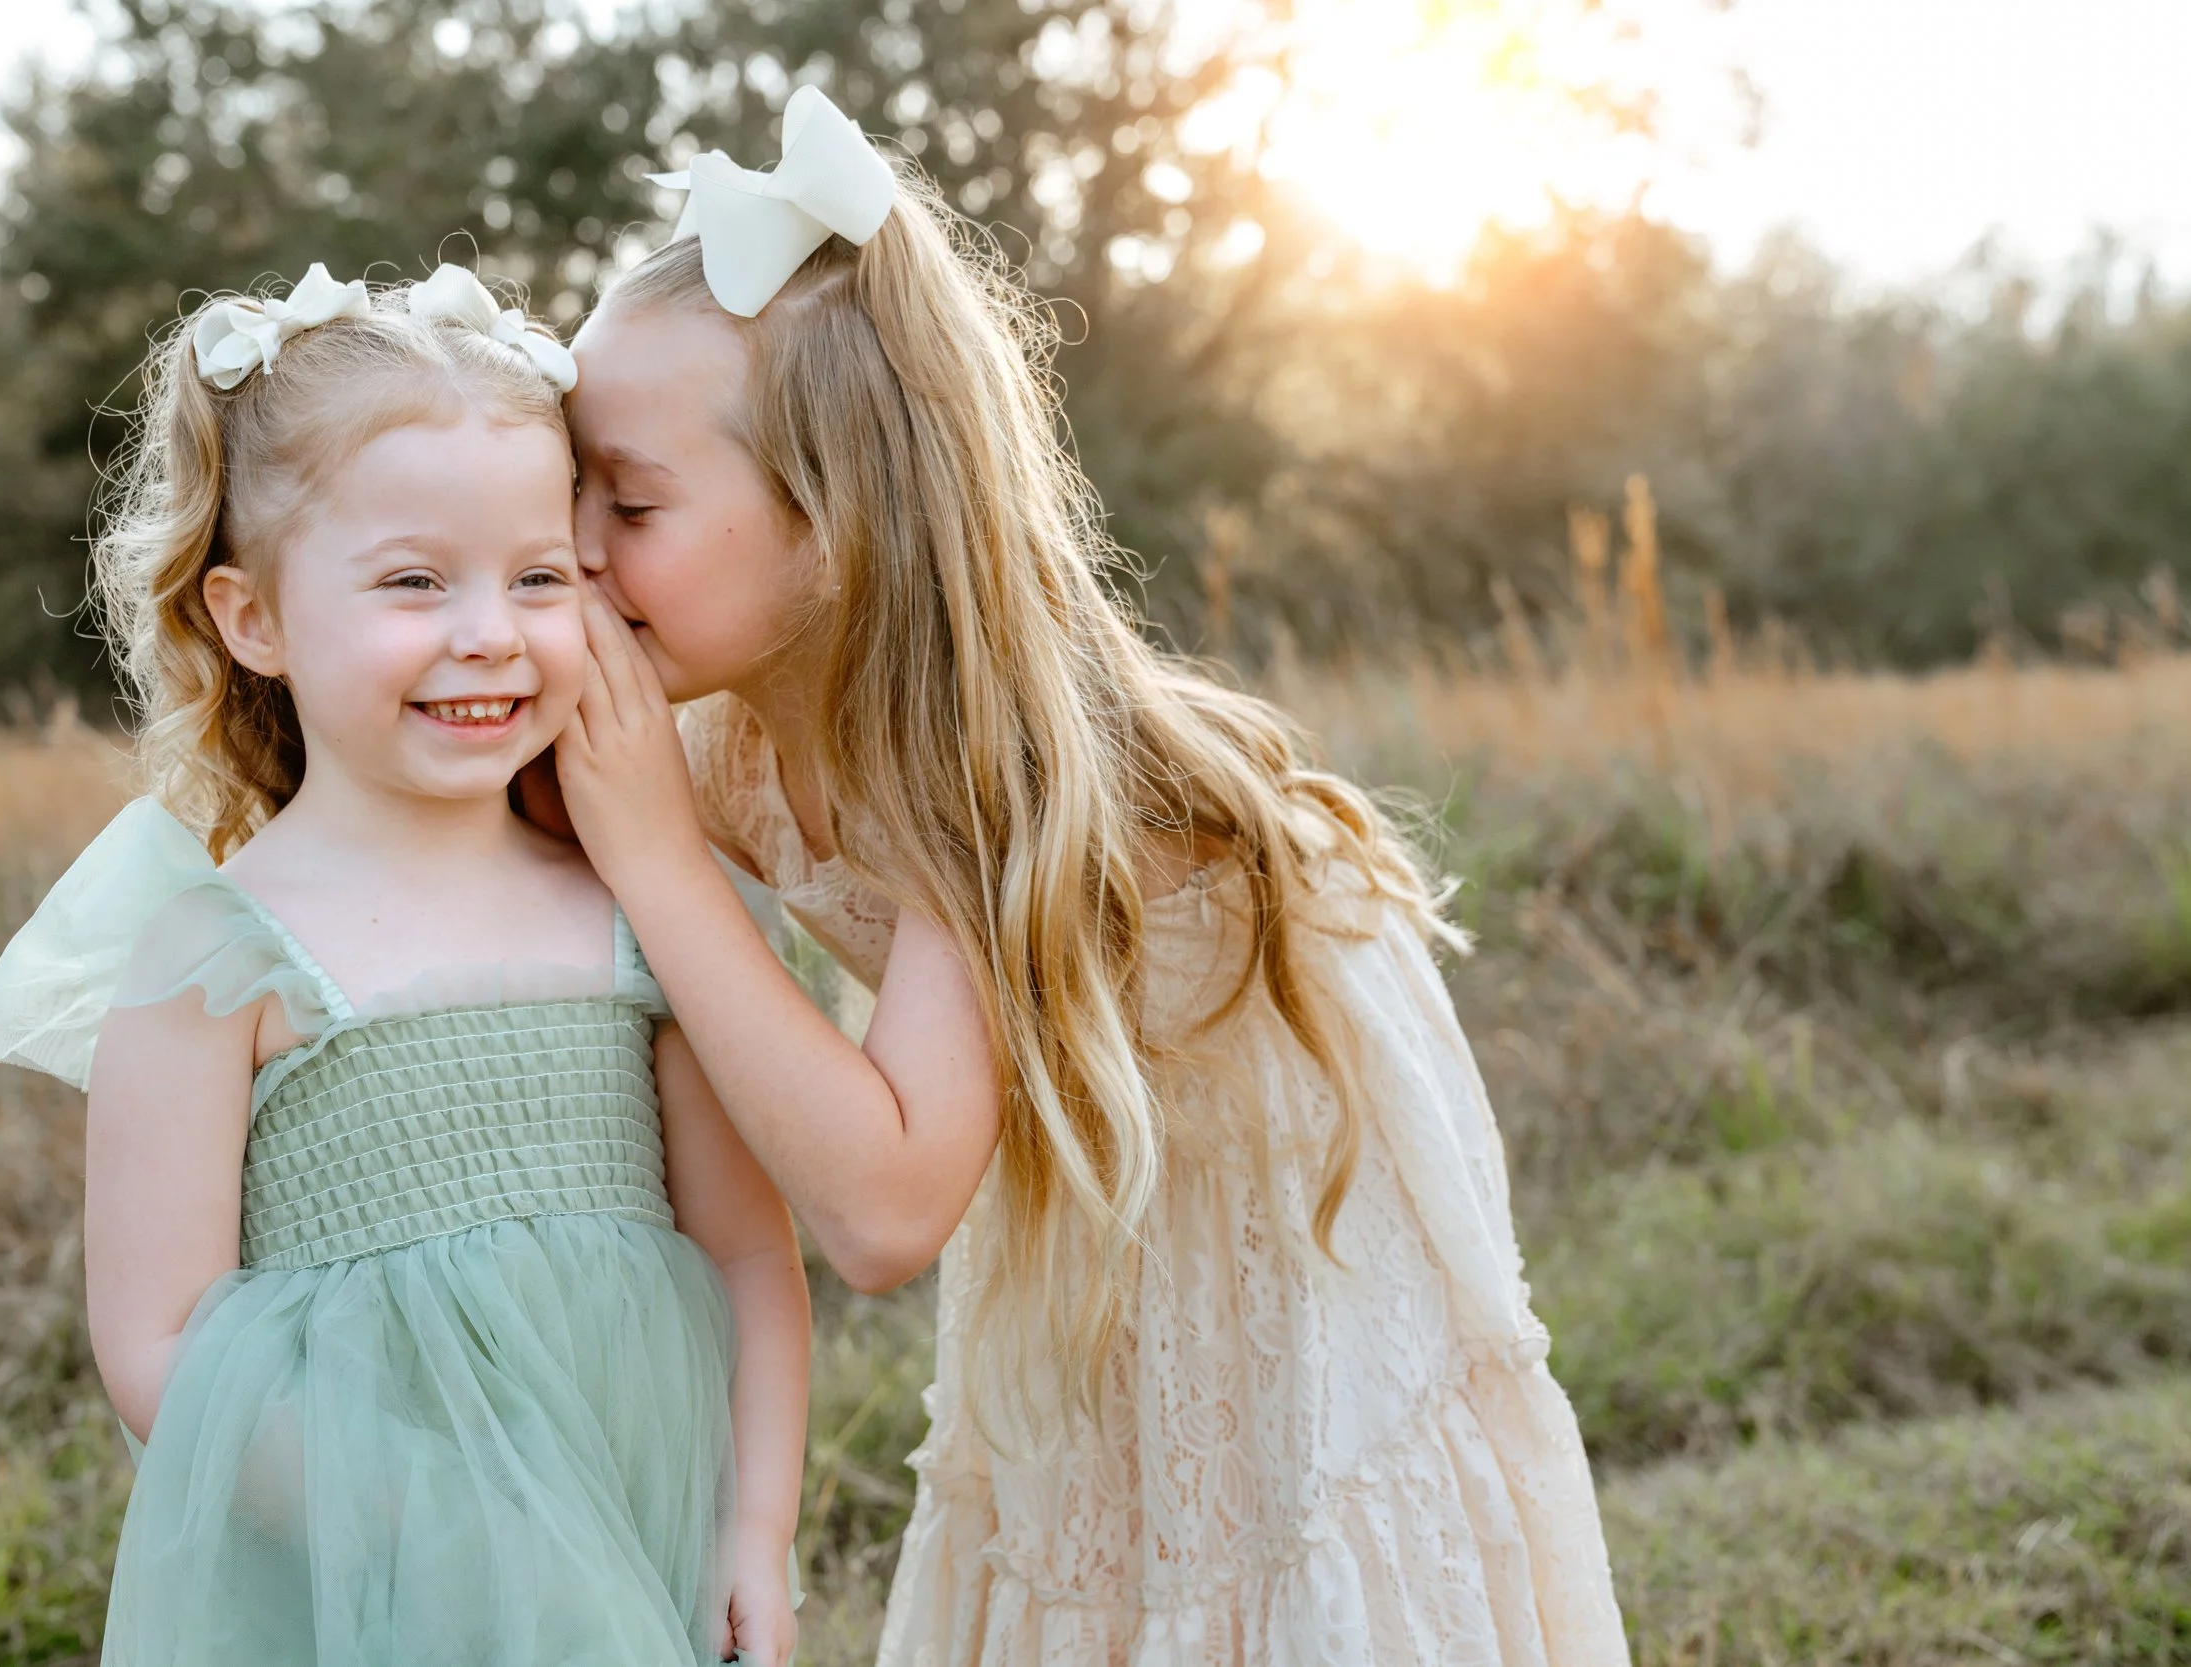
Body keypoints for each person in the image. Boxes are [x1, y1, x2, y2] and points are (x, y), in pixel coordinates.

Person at [550, 89, 1630, 1665]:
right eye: (568, 491)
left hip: (1270, 1178)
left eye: (631, 503)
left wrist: (658, 860)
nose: (575, 548)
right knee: (1087, 1521)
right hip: (1091, 1166)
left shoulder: (981, 760)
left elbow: (883, 1209)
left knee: (1253, 1542)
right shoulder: (723, 729)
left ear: (835, 528)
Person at [0, 261, 808, 1666]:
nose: (489, 633)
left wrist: (756, 1526)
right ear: (254, 619)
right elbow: (156, 1339)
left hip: (638, 1522)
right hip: (373, 1574)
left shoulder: (641, 914)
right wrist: (438, 1540)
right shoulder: (216, 952)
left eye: (539, 577)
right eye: (414, 581)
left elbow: (747, 1253)